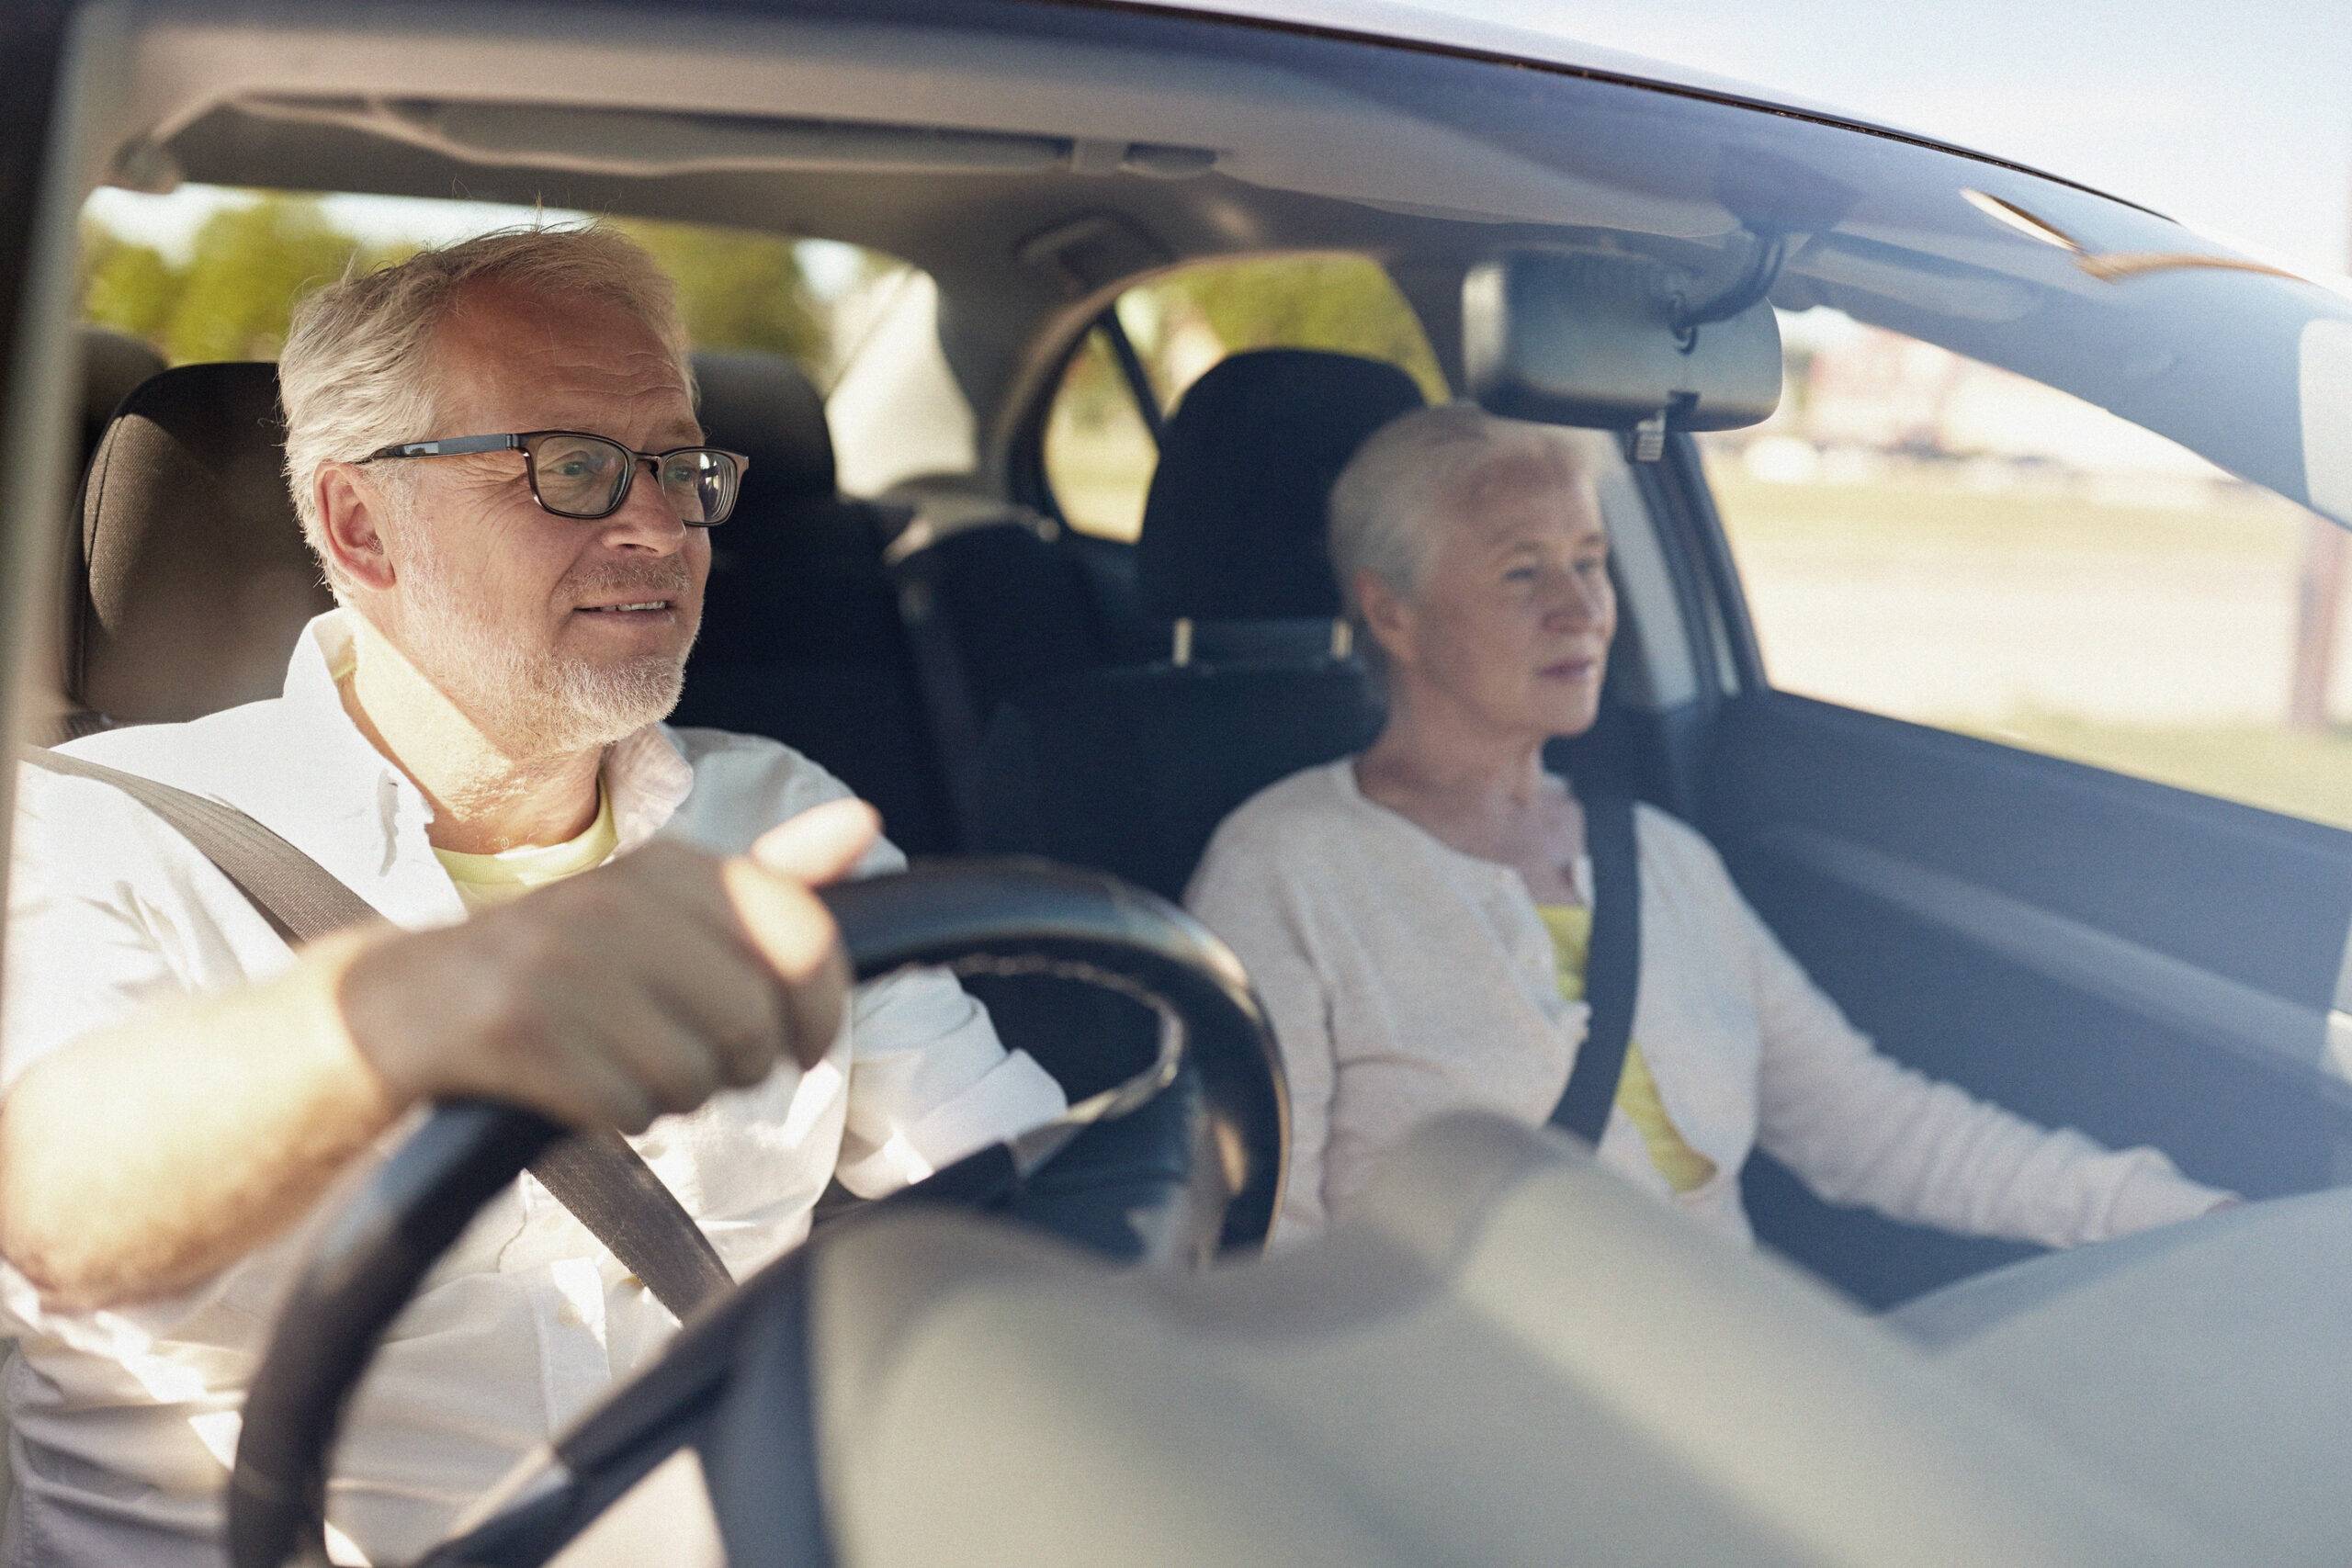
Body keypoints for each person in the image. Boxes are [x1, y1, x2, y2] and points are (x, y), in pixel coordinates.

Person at [0, 226, 1068, 1564]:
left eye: (680, 466)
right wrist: (402, 1014)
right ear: (358, 523)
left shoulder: (781, 814)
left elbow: (1029, 1204)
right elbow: (52, 1206)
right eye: (572, 467)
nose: (659, 524)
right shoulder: (84, 831)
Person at [1187, 402, 2230, 1250]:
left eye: (1588, 561)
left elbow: (1876, 1130)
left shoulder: (1660, 861)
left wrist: (2178, 1216)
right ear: (1391, 612)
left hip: (1732, 1379)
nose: (1582, 609)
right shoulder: (1285, 867)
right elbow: (1271, 1242)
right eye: (1520, 572)